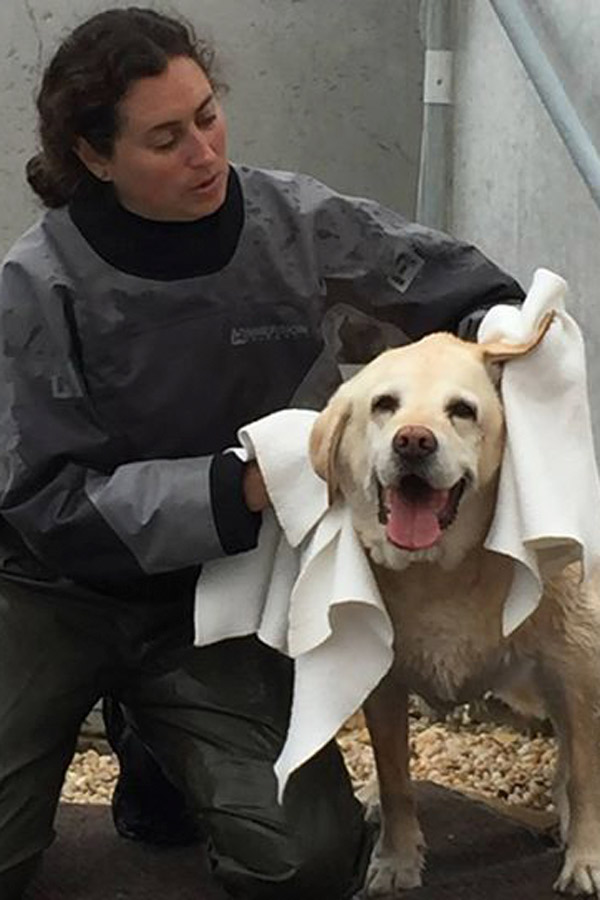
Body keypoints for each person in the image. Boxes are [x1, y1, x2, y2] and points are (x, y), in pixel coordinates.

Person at [0, 7, 524, 899]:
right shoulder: (36, 282)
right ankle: (131, 722)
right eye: (165, 138)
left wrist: (506, 328)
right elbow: (48, 503)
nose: (204, 153)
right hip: (53, 593)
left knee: (303, 860)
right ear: (95, 156)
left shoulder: (291, 217)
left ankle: (162, 740)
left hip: (221, 594)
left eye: (207, 115)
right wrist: (236, 485)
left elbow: (447, 284)